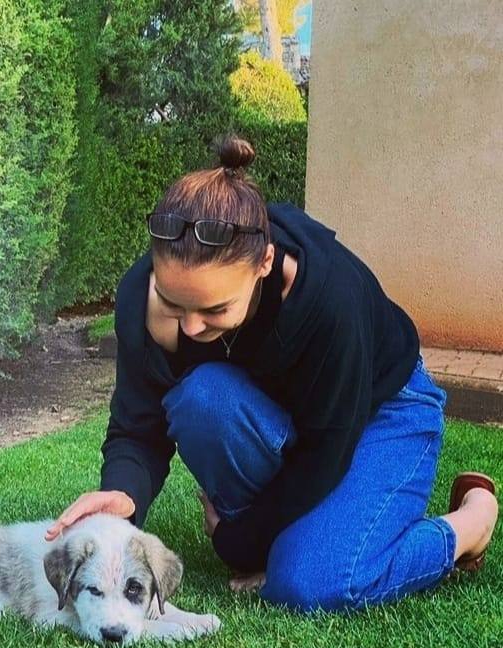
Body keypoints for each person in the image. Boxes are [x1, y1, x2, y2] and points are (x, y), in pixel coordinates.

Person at [45, 135, 498, 612]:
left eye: (215, 308)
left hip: (380, 411)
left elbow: (325, 449)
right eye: (174, 304)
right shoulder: (142, 295)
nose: (192, 326)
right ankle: (279, 544)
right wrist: (123, 493)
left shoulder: (328, 299)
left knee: (317, 583)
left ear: (263, 263)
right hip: (287, 417)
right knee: (202, 398)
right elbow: (138, 425)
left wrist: (236, 542)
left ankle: (471, 524)